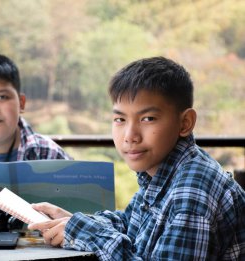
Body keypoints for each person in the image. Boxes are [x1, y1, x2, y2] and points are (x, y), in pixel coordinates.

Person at [28, 57, 245, 260]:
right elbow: (128, 224)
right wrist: (74, 222)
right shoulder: (160, 172)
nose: (130, 136)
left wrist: (85, 232)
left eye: (148, 118)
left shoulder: (193, 188)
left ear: (185, 122)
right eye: (120, 119)